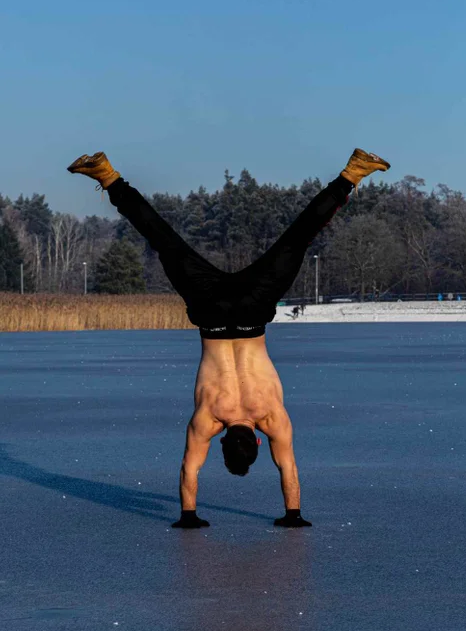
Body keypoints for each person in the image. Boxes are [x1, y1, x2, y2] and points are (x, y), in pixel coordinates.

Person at [68, 148, 390, 528]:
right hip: (211, 311)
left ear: (256, 443)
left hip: (253, 311)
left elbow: (288, 468)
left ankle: (353, 173)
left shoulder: (271, 418)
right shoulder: (209, 419)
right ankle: (106, 175)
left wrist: (293, 515)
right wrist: (188, 516)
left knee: (298, 238)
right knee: (162, 239)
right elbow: (190, 470)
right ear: (223, 443)